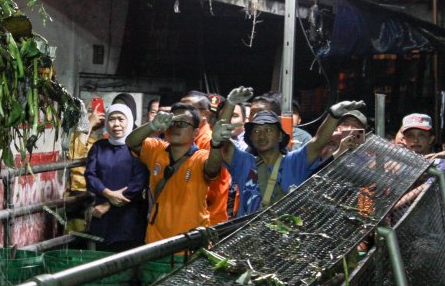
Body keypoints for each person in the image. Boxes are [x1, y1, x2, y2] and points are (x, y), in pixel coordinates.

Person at [210, 87, 365, 216]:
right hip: (250, 241)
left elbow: (318, 141)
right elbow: (223, 139)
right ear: (250, 137)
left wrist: (333, 115)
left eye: (268, 129)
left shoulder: (295, 161)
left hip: (287, 245)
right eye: (256, 131)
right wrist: (229, 104)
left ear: (280, 136)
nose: (262, 135)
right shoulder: (244, 162)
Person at [126, 103, 222, 243]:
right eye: (172, 122)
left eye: (182, 123)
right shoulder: (156, 149)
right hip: (155, 241)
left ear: (195, 132)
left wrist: (216, 144)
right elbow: (131, 142)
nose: (175, 127)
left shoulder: (200, 157)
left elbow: (212, 168)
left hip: (190, 243)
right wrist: (152, 125)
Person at [85, 104, 149, 252]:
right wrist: (107, 193)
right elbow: (90, 175)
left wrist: (108, 204)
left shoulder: (138, 148)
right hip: (102, 216)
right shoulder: (99, 147)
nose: (116, 124)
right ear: (106, 122)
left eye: (121, 119)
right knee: (102, 257)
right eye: (112, 119)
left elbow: (139, 181)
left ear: (130, 121)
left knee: (128, 256)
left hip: (129, 215)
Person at [180, 92, 229, 225]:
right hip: (190, 216)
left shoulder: (209, 142)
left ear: (205, 114)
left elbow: (209, 189)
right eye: (180, 109)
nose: (181, 114)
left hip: (208, 219)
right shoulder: (188, 139)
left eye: (188, 109)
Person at [65, 100, 105, 233]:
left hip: (99, 194)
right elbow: (75, 156)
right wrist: (89, 124)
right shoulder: (76, 136)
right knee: (76, 237)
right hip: (77, 194)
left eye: (98, 110)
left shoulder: (104, 140)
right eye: (90, 111)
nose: (94, 114)